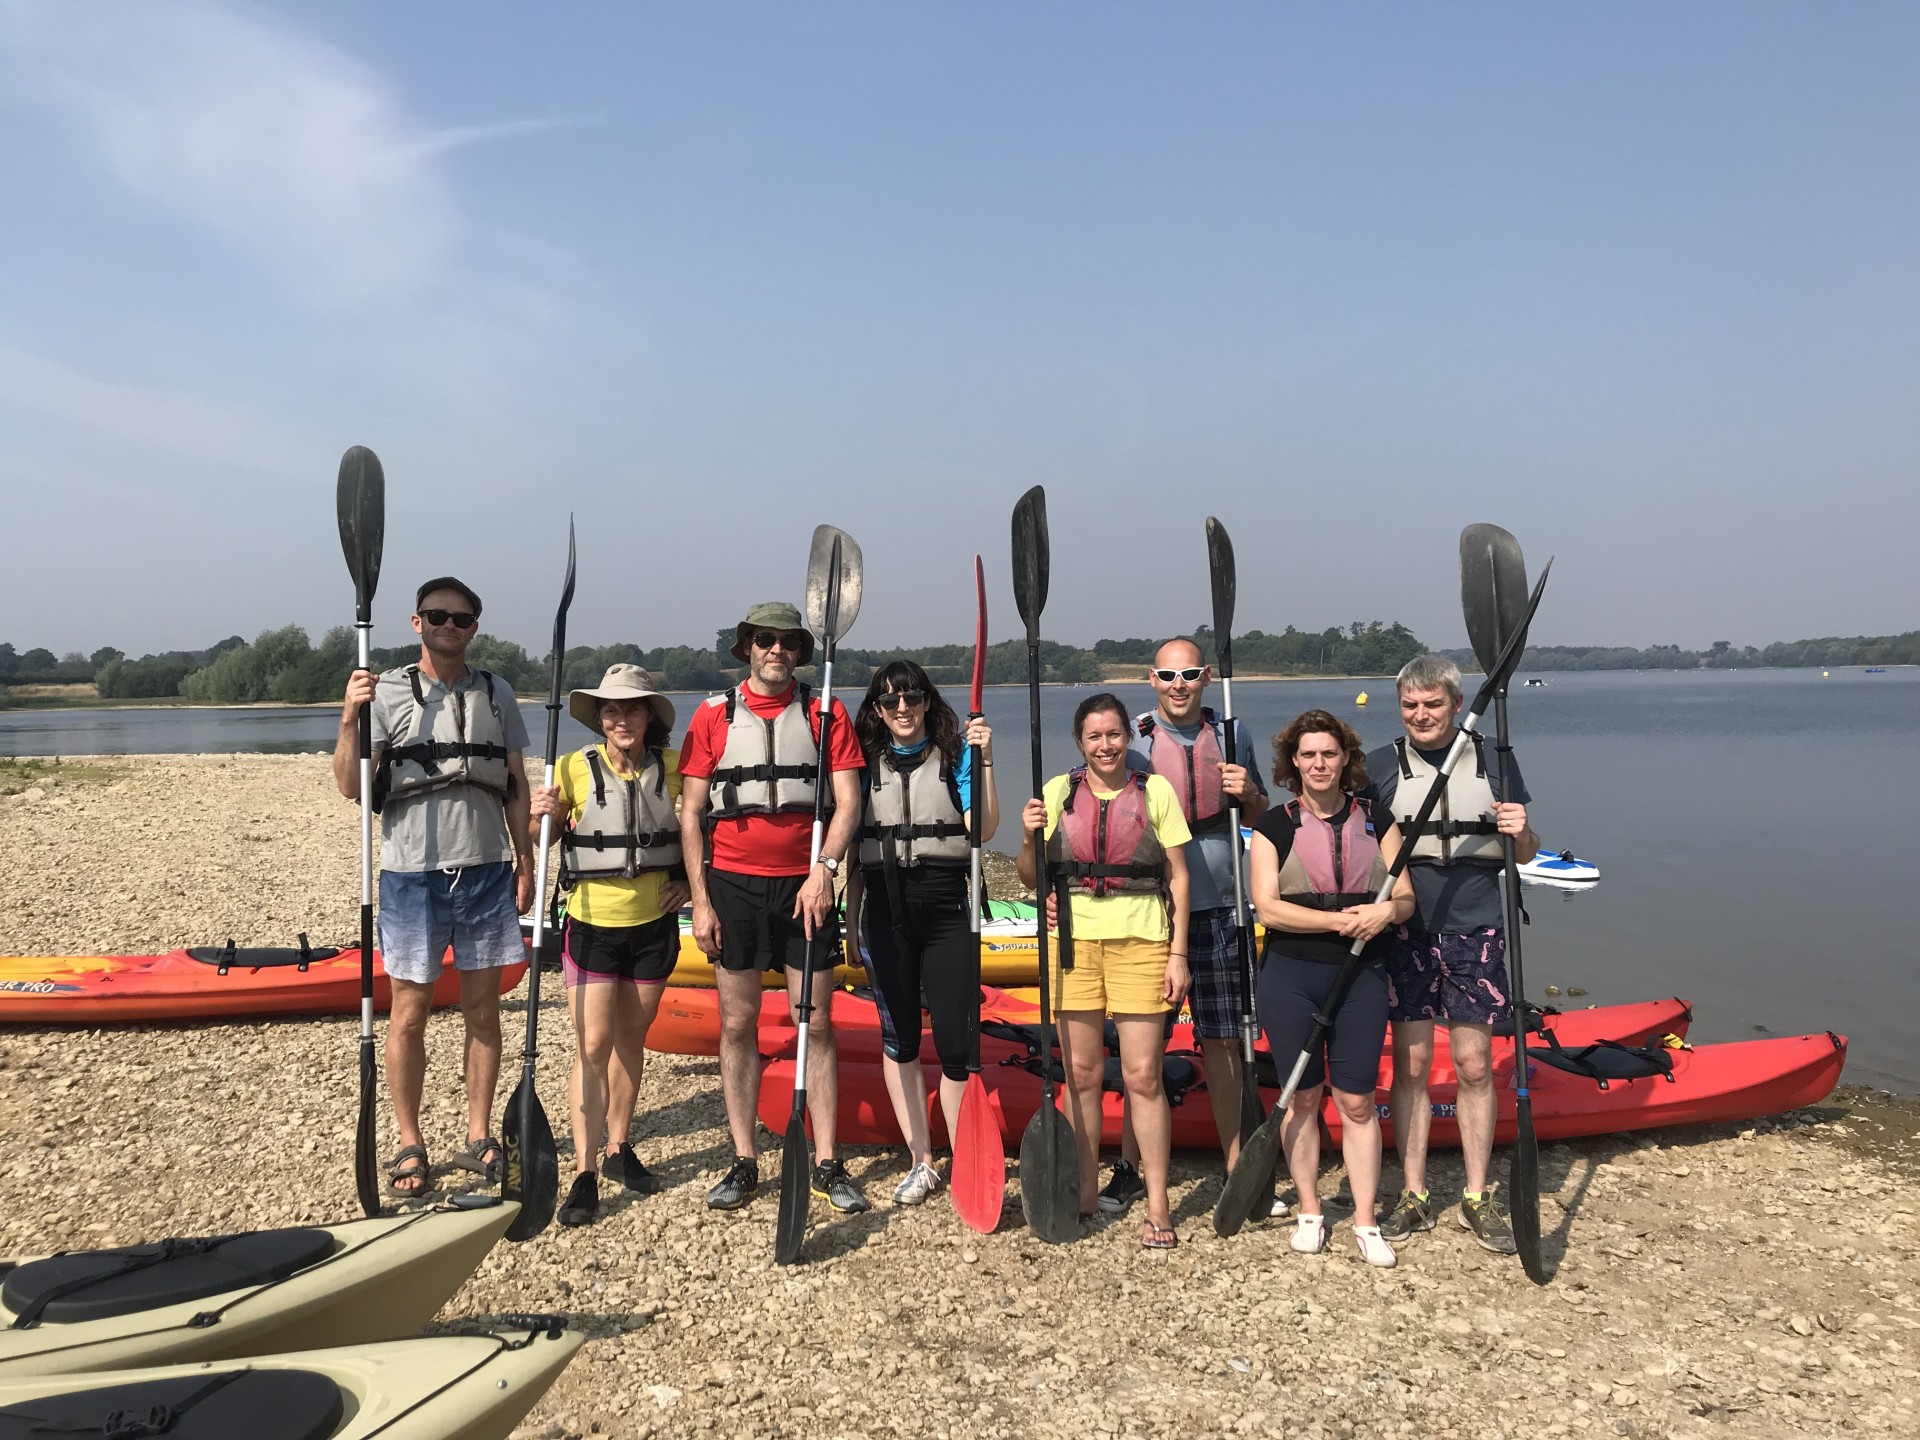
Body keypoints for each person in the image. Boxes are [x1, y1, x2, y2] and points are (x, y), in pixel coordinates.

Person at [332, 577, 534, 1197]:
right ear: (416, 623)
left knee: (482, 1009)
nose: (450, 626)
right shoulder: (384, 692)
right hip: (411, 874)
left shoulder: (498, 694)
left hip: (486, 871)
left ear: (475, 626)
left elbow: (517, 782)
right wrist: (348, 719)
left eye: (462, 618)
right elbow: (349, 786)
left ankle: (478, 1134)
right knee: (411, 1013)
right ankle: (409, 1141)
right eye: (437, 616)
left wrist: (525, 859)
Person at [677, 602, 869, 1214]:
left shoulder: (825, 710)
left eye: (787, 641)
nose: (776, 650)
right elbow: (691, 813)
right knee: (737, 1023)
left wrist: (825, 870)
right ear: (747, 648)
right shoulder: (712, 716)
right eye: (765, 640)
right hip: (731, 885)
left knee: (815, 1020)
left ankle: (828, 1160)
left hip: (802, 887)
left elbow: (848, 802)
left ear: (798, 651)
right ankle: (743, 1159)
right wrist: (700, 902)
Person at [1364, 654, 1538, 1255]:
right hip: (1407, 929)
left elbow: (1525, 852)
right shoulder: (1381, 766)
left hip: (1477, 927)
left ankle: (1475, 1193)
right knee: (1410, 1067)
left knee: (1471, 1065)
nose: (1421, 715)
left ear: (1456, 704)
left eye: (1432, 704)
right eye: (1410, 705)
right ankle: (1412, 1193)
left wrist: (1521, 832)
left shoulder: (1494, 758)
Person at [1100, 638, 1270, 1215]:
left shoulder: (1233, 732)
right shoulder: (1137, 740)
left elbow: (1258, 814)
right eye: (1169, 675)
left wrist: (1247, 793)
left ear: (1204, 678)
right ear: (1152, 679)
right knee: (1140, 1053)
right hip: (1153, 912)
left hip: (1223, 907)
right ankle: (1129, 1167)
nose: (1180, 684)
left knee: (1223, 1040)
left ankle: (1235, 1166)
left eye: (1190, 673)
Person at [1017, 692, 1191, 1250]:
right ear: (1080, 743)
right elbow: (1029, 876)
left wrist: (1178, 953)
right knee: (1083, 1077)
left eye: (1114, 734)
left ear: (1127, 737)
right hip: (1072, 945)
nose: (1106, 745)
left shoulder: (1155, 791)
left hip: (1142, 940)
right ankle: (1084, 1189)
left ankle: (1158, 1203)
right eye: (1094, 736)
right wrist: (1026, 834)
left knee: (1143, 1076)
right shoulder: (1056, 794)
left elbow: (1179, 878)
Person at [1249, 710, 1412, 1267]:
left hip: (1362, 974)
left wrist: (1386, 910)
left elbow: (1407, 898)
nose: (1319, 763)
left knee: (1358, 1100)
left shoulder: (1377, 818)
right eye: (1308, 754)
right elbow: (1268, 907)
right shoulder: (1274, 825)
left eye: (1329, 753)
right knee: (1302, 1097)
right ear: (1293, 762)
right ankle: (1311, 1211)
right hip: (1291, 974)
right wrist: (1340, 922)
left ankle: (1365, 1220)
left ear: (1346, 759)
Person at [528, 664, 686, 1227]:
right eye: (612, 710)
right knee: (593, 1044)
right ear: (599, 719)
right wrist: (538, 818)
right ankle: (585, 1169)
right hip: (592, 921)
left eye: (633, 708)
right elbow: (541, 834)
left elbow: (703, 833)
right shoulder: (572, 768)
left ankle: (620, 1147)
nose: (622, 718)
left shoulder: (673, 768)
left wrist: (690, 884)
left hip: (653, 924)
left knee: (629, 1037)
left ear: (650, 717)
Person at [845, 661, 999, 1205]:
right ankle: (921, 1159)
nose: (903, 709)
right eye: (891, 703)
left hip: (944, 907)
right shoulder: (862, 762)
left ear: (927, 702)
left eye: (911, 698)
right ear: (878, 710)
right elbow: (842, 825)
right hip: (885, 907)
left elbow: (982, 828)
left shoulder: (956, 756)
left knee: (957, 1044)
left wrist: (984, 760)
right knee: (900, 1037)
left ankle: (963, 1154)